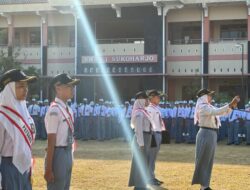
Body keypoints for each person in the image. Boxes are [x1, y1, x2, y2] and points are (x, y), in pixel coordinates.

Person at [192, 88, 239, 190]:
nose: (211, 97)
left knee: (208, 161)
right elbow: (217, 111)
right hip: (206, 133)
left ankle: (205, 185)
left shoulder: (208, 106)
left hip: (211, 133)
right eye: (209, 95)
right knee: (204, 160)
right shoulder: (203, 107)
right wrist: (230, 104)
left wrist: (231, 107)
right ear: (203, 96)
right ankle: (203, 187)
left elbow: (221, 113)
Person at [0, 69, 37, 190]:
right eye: (21, 86)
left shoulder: (24, 112)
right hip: (8, 167)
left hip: (24, 166)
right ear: (9, 88)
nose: (25, 89)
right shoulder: (2, 115)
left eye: (26, 86)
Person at [44, 73, 80, 190]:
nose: (72, 89)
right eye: (69, 86)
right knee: (57, 186)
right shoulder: (54, 110)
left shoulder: (68, 109)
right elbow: (51, 142)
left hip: (68, 152)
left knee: (65, 187)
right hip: (58, 153)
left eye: (73, 86)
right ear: (58, 88)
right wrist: (48, 169)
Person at [128, 91, 151, 190]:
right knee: (139, 162)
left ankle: (141, 183)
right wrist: (141, 143)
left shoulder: (143, 111)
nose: (147, 101)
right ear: (141, 100)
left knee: (143, 162)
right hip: (140, 140)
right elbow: (138, 130)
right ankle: (139, 185)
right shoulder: (139, 113)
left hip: (144, 138)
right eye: (146, 99)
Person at [146, 89, 166, 186]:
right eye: (157, 97)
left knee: (153, 158)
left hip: (158, 133)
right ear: (152, 98)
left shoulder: (156, 108)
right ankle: (149, 178)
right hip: (153, 134)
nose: (159, 99)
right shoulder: (150, 109)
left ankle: (151, 176)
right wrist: (152, 135)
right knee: (151, 157)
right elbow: (148, 124)